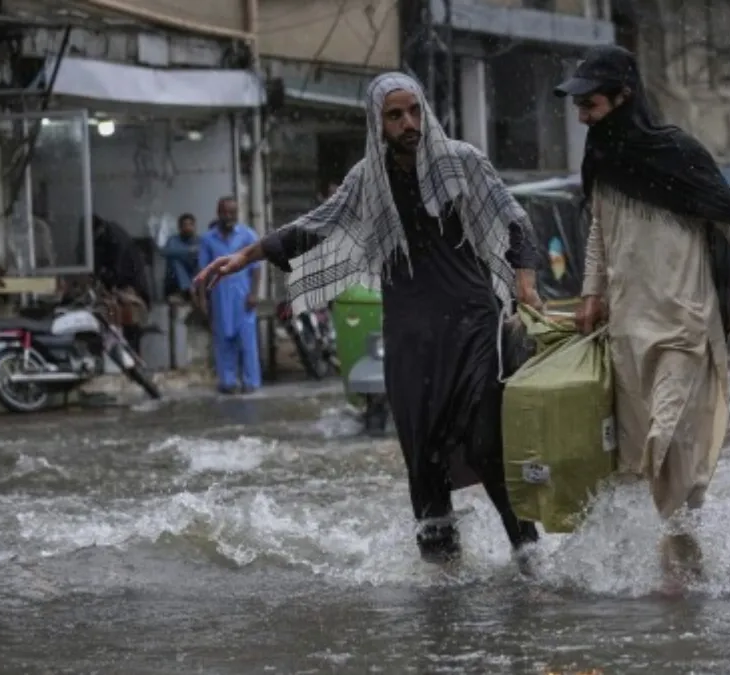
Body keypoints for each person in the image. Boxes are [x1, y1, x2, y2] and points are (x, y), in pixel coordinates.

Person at [194, 72, 544, 567]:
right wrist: (243, 257)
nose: (408, 124)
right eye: (395, 115)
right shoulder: (367, 181)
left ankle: (529, 559)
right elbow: (311, 228)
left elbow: (515, 220)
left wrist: (525, 283)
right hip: (410, 337)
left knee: (489, 447)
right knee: (423, 462)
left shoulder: (462, 163)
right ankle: (442, 582)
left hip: (471, 325)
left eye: (414, 111)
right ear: (377, 123)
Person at [556, 46, 730, 583]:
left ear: (623, 97)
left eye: (591, 104)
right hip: (626, 335)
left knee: (669, 444)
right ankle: (681, 572)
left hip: (684, 329)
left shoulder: (679, 153)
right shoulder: (601, 159)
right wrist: (590, 294)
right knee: (638, 465)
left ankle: (676, 575)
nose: (583, 116)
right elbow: (599, 232)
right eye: (579, 106)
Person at [197, 198, 261, 394]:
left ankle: (251, 383)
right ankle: (228, 382)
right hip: (219, 296)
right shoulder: (208, 240)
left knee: (247, 342)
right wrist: (202, 300)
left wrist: (254, 293)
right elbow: (203, 272)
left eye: (233, 212)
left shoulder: (248, 235)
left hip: (243, 296)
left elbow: (256, 267)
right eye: (225, 212)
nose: (229, 217)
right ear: (218, 213)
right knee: (224, 340)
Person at [86, 215, 151, 354]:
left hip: (131, 284)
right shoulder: (106, 236)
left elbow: (117, 267)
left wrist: (109, 282)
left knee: (130, 323)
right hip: (124, 283)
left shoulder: (116, 238)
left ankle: (133, 356)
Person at [160, 213, 200, 303]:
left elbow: (201, 256)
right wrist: (189, 251)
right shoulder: (173, 240)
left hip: (194, 276)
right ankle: (188, 290)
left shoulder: (200, 241)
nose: (188, 228)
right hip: (175, 282)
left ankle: (189, 290)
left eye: (190, 225)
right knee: (175, 261)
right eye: (185, 225)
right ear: (180, 228)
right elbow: (165, 252)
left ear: (194, 226)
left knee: (201, 262)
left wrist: (185, 253)